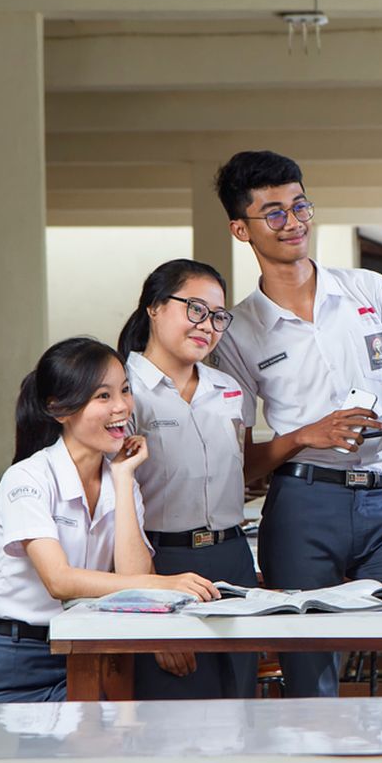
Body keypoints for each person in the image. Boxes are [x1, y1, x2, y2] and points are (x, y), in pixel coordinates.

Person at [211, 150, 382, 697]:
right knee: (310, 670)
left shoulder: (369, 289)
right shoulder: (236, 331)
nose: (294, 223)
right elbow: (239, 465)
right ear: (242, 229)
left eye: (300, 205)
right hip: (302, 506)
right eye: (275, 213)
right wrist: (306, 435)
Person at [0, 338, 219, 704]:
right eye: (103, 396)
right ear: (59, 409)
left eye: (125, 390)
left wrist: (124, 479)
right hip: (15, 661)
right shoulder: (27, 478)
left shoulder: (121, 477)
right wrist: (163, 585)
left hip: (91, 648)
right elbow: (60, 581)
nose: (123, 407)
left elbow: (131, 576)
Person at [117, 258, 258, 699]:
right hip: (162, 562)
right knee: (174, 711)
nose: (208, 326)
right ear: (155, 307)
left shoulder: (229, 389)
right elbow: (108, 504)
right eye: (194, 309)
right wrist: (151, 608)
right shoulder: (123, 391)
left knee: (239, 702)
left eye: (218, 316)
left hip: (233, 559)